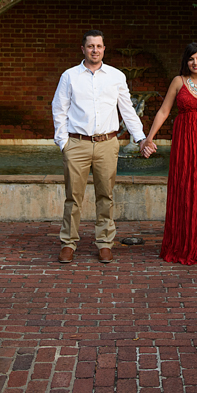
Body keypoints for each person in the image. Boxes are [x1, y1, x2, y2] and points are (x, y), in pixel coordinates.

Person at [52, 30, 147, 264]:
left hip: (107, 144)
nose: (95, 50)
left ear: (104, 49)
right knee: (73, 197)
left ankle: (104, 242)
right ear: (82, 49)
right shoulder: (70, 76)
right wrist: (63, 143)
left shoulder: (115, 76)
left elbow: (127, 110)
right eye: (91, 46)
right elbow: (59, 109)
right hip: (77, 143)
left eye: (99, 46)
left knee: (105, 195)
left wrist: (141, 138)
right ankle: (68, 243)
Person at [139, 43, 197, 264]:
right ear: (185, 62)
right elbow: (164, 111)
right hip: (184, 145)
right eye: (191, 59)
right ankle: (182, 243)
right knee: (185, 188)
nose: (195, 62)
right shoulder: (178, 82)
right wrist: (149, 137)